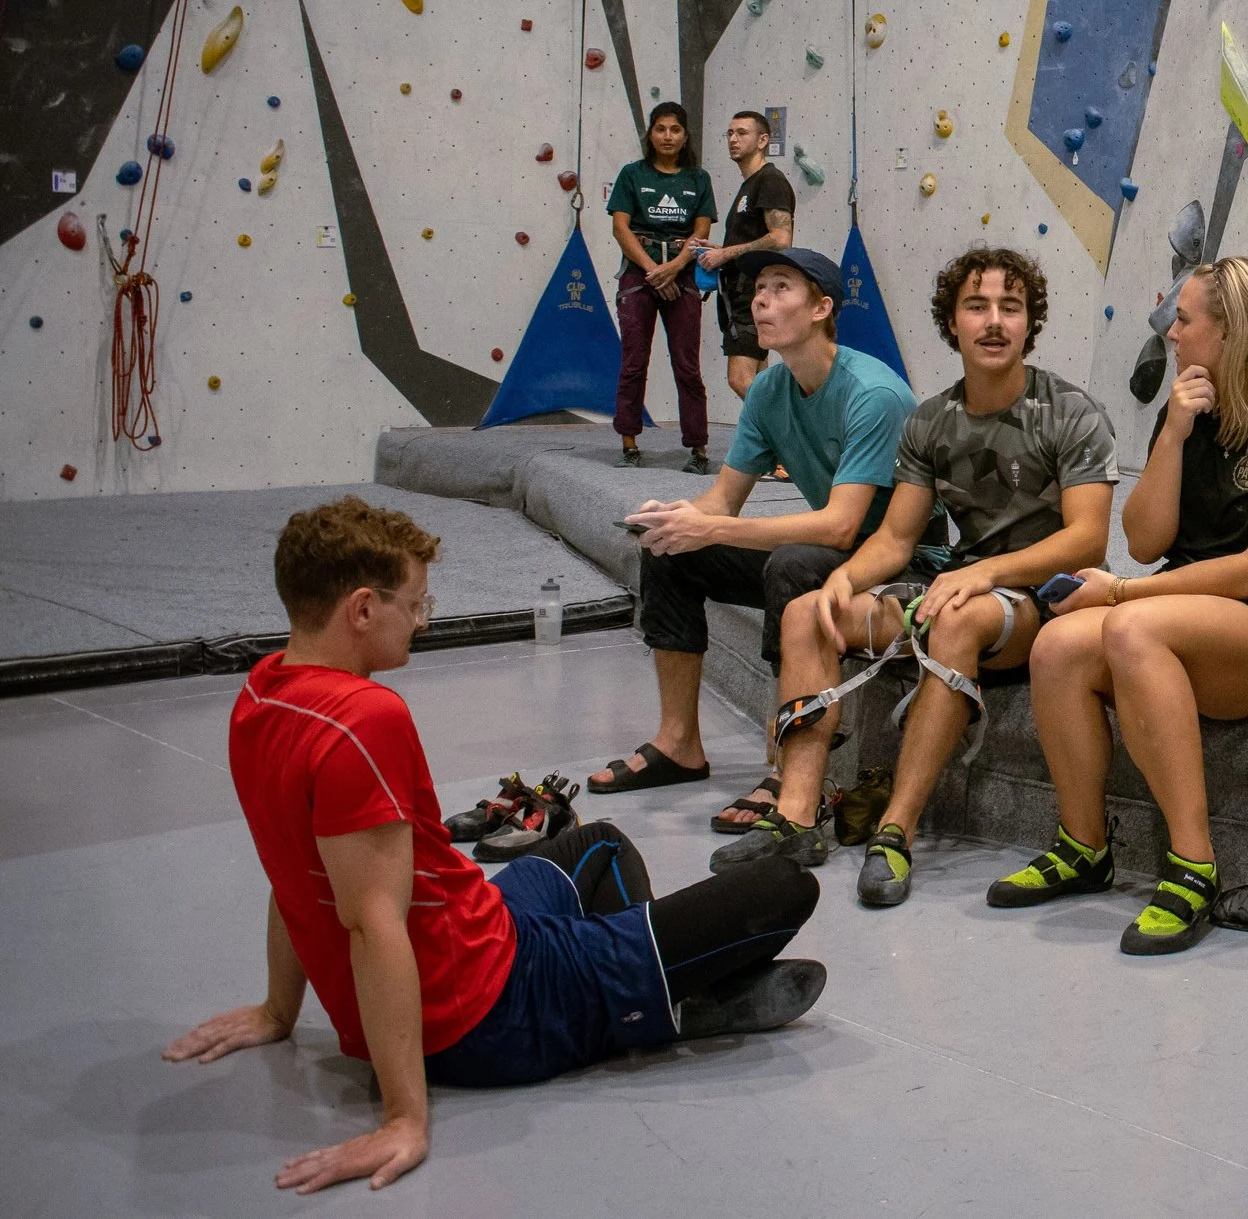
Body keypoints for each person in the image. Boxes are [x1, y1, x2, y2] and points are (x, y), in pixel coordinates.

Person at [166, 498, 825, 1195]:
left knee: (597, 843)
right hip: (493, 1009)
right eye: (414, 605)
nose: (423, 620)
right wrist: (402, 1119)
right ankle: (648, 1005)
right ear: (362, 610)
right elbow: (373, 925)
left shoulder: (262, 695)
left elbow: (291, 869)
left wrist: (279, 1011)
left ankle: (640, 984)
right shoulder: (365, 718)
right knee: (785, 887)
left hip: (481, 932)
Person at [713, 248, 1116, 915]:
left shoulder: (1070, 411)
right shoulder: (930, 421)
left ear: (1029, 324)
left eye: (1009, 308)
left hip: (1048, 601)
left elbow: (1086, 539)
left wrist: (984, 572)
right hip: (962, 587)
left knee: (955, 617)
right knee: (806, 613)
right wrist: (844, 579)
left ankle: (897, 829)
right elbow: (897, 537)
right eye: (976, 306)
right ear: (951, 323)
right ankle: (797, 814)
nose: (993, 322)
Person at [1014, 258, 1248, 955]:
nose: (1172, 332)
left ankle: (1192, 866)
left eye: (1186, 318)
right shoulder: (1192, 413)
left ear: (1230, 329)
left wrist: (1116, 593)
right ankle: (1084, 844)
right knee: (1055, 647)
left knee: (1130, 623)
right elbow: (1143, 541)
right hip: (1185, 608)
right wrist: (1171, 433)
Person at [595, 248, 914, 827]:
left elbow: (843, 524)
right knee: (673, 551)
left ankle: (787, 765)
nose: (760, 300)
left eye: (780, 288)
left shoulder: (873, 394)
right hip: (832, 550)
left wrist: (712, 525)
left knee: (790, 565)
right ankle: (679, 743)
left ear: (822, 308)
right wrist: (673, 517)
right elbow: (721, 502)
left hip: (893, 560)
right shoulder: (769, 391)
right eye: (758, 288)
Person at [607, 102, 717, 471]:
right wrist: (654, 270)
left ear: (685, 136)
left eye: (675, 130)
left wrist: (674, 268)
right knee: (634, 361)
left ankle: (698, 449)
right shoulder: (631, 175)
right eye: (660, 129)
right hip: (641, 271)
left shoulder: (698, 179)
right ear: (650, 135)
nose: (667, 136)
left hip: (681, 270)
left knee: (687, 365)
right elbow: (620, 227)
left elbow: (701, 231)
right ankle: (629, 443)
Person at [698, 110, 796, 401]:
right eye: (729, 133)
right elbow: (752, 239)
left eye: (742, 133)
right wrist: (720, 252)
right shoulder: (748, 186)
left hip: (751, 294)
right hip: (739, 294)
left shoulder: (770, 181)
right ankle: (771, 444)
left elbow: (781, 238)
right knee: (762, 380)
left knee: (740, 379)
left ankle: (787, 438)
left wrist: (726, 253)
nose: (733, 139)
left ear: (763, 139)